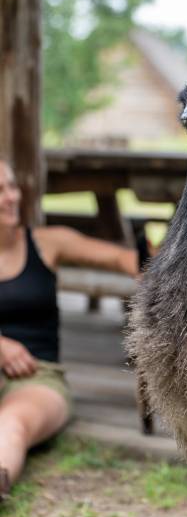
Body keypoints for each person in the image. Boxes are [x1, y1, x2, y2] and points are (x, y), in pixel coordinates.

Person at [0, 158, 141, 499]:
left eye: (12, 186)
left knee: (11, 424)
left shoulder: (48, 242)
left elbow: (122, 259)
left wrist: (160, 261)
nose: (11, 197)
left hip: (36, 377)